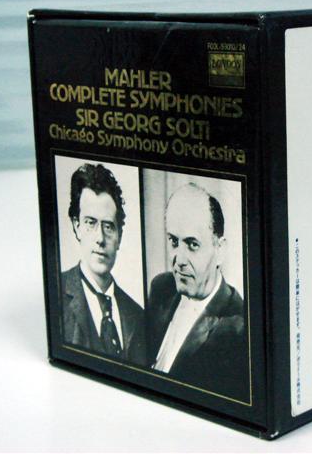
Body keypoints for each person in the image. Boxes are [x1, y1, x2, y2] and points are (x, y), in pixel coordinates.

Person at [147, 183, 248, 400]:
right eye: (174, 241)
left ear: (220, 250)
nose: (179, 260)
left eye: (192, 244)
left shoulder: (239, 329)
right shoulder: (161, 288)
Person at [61, 163, 146, 365]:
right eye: (90, 223)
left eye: (108, 226)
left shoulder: (137, 315)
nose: (100, 238)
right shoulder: (56, 294)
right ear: (77, 226)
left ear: (119, 237)